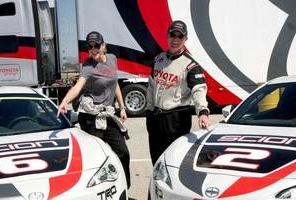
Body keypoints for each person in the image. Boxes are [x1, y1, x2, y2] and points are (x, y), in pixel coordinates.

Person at [57, 31, 131, 188]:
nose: (93, 49)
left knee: (122, 151)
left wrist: (122, 107)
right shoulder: (87, 67)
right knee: (97, 156)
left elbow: (115, 83)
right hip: (90, 116)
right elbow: (77, 88)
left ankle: (124, 186)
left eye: (96, 45)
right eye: (89, 46)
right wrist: (65, 100)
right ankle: (97, 191)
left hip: (107, 114)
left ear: (103, 46)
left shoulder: (112, 59)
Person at [146, 20, 210, 165]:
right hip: (155, 117)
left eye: (180, 36)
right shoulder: (159, 59)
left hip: (176, 119)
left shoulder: (190, 65)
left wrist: (203, 112)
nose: (175, 40)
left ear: (185, 40)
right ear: (167, 36)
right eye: (172, 35)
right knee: (156, 160)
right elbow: (151, 85)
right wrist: (149, 111)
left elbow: (198, 90)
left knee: (173, 161)